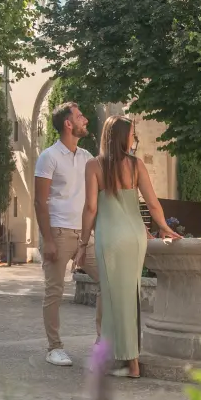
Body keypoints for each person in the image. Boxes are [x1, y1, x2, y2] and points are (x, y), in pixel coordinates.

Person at [75, 115, 181, 378]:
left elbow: (90, 208)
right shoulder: (136, 166)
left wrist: (82, 242)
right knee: (130, 297)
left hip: (110, 238)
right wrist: (164, 227)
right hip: (135, 238)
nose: (134, 138)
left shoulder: (94, 166)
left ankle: (126, 362)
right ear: (123, 137)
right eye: (132, 133)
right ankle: (125, 360)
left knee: (113, 299)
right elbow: (153, 204)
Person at [34, 102, 101, 366]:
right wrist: (48, 239)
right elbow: (40, 202)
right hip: (58, 232)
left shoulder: (86, 157)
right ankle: (54, 348)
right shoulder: (48, 157)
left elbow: (94, 198)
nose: (85, 119)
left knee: (109, 282)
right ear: (68, 124)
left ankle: (101, 343)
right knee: (55, 291)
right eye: (80, 115)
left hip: (85, 235)